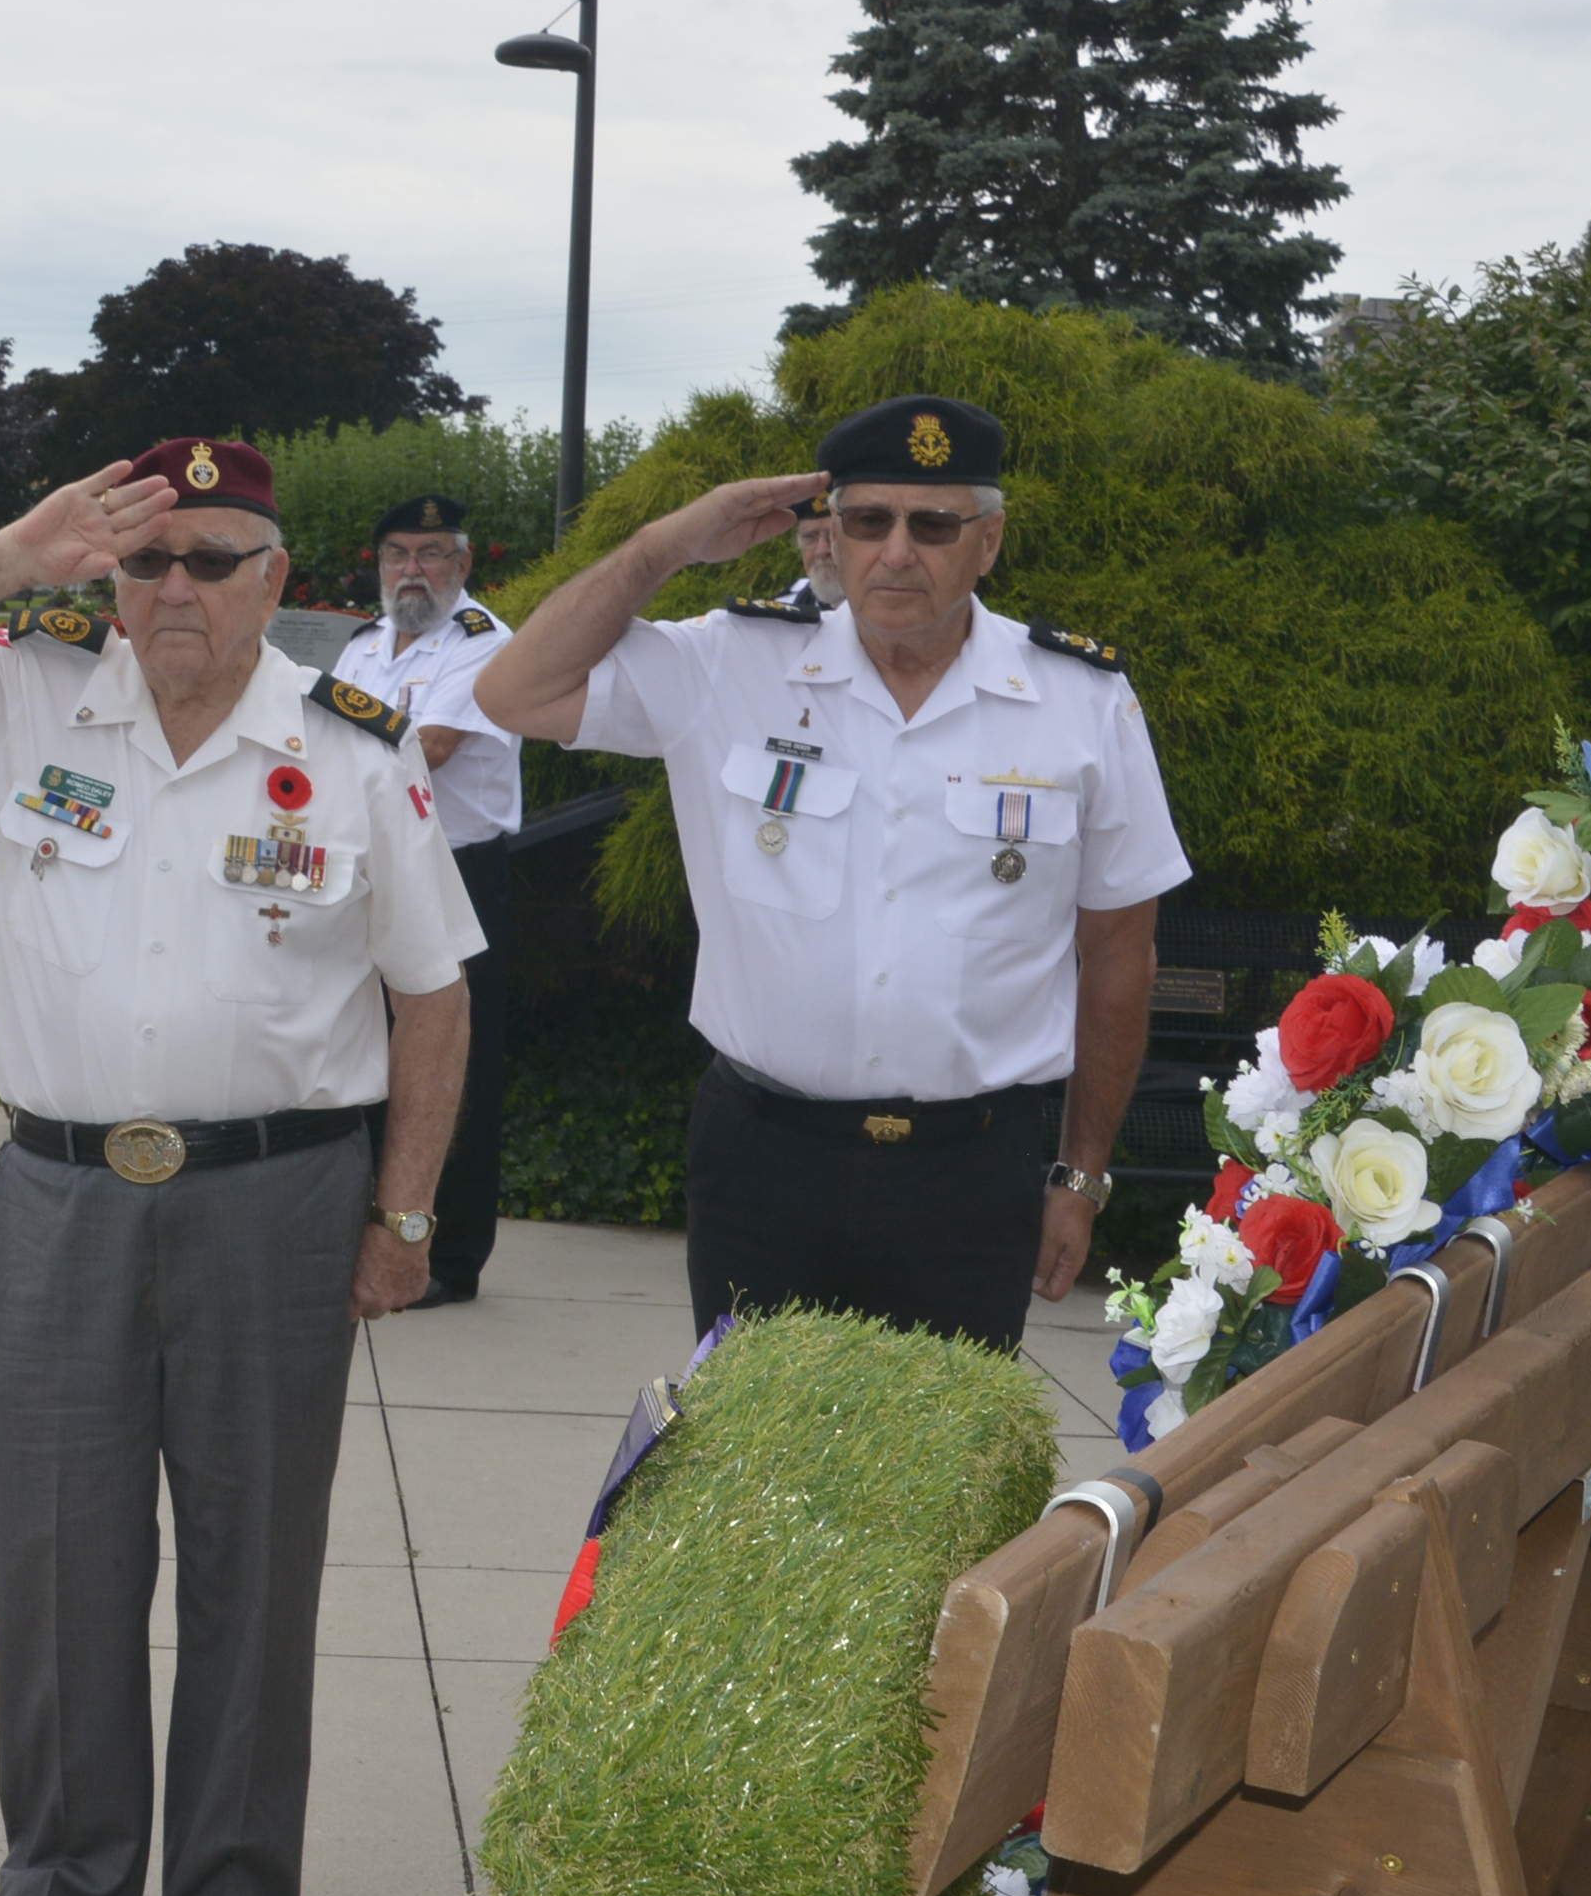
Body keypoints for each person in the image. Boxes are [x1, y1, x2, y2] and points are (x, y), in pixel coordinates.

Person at [0, 433, 480, 1896]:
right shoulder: (16, 688)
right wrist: (10, 552)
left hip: (279, 1203)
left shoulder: (351, 750)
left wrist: (404, 1215)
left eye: (215, 558)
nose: (176, 588)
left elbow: (433, 997)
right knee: (56, 1562)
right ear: (106, 574)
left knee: (256, 1571)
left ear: (276, 585)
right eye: (148, 559)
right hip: (56, 1199)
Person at [477, 395, 1186, 1351]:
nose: (898, 550)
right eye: (868, 520)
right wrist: (665, 547)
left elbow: (1118, 953)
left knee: (948, 1485)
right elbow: (512, 690)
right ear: (834, 534)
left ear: (990, 541)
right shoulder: (732, 664)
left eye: (934, 524)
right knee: (751, 1481)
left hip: (970, 1177)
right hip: (765, 1164)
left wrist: (1081, 1176)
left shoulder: (1080, 700)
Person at [326, 494, 522, 1305]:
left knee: (454, 1067)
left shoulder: (483, 646)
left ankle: (450, 1258)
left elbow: (428, 749)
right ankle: (368, 1228)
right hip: (373, 865)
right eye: (398, 554)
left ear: (463, 564)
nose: (413, 570)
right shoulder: (364, 645)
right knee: (370, 1048)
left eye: (432, 553)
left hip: (459, 872)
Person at [773, 482, 842, 613]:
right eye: (810, 537)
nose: (822, 550)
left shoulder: (888, 608)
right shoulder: (784, 608)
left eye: (833, 535)